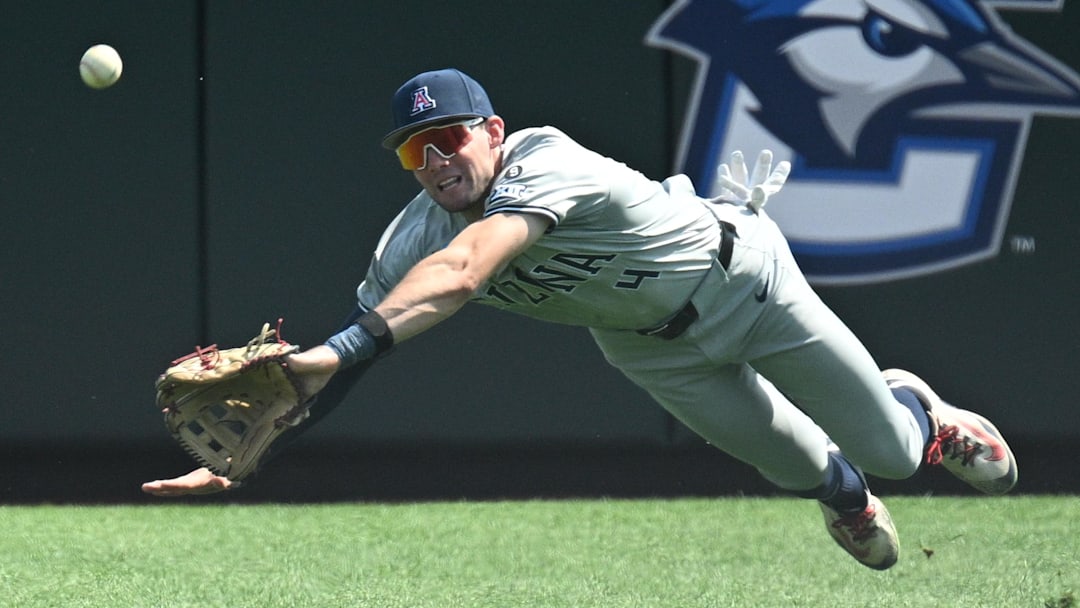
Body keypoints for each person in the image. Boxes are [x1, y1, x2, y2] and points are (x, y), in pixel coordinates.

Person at [143, 68, 1018, 570]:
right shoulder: (409, 234)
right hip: (648, 347)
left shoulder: (546, 158)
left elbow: (464, 272)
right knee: (799, 468)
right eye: (418, 150)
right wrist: (257, 452)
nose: (439, 157)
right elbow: (364, 351)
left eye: (452, 136)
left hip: (744, 282)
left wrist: (325, 355)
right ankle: (844, 497)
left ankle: (925, 413)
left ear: (492, 130)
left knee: (895, 454)